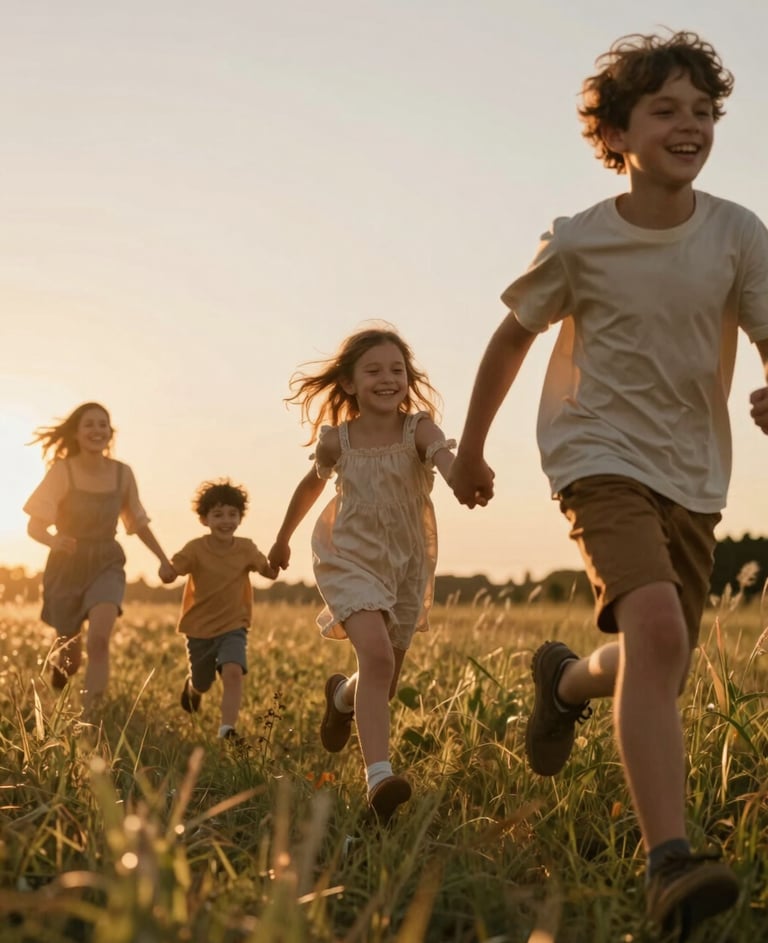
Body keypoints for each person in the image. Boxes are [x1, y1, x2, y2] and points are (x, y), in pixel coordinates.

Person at [449, 30, 768, 940]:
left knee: (654, 657)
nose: (689, 125)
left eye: (703, 111)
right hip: (597, 454)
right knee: (660, 632)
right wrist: (470, 451)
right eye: (665, 109)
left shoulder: (739, 232)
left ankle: (562, 683)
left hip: (695, 469)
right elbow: (512, 336)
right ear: (617, 134)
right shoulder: (581, 238)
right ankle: (670, 860)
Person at [268, 326, 455, 823]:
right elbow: (312, 486)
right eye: (374, 370)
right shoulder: (338, 440)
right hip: (348, 556)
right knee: (374, 655)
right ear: (350, 383)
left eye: (397, 370)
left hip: (406, 564)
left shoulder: (420, 429)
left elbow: (446, 460)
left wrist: (464, 479)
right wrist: (283, 538)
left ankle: (341, 697)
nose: (387, 378)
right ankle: (379, 779)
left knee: (383, 678)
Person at [24, 402, 176, 709]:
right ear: (77, 434)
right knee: (71, 654)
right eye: (89, 425)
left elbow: (137, 522)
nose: (97, 430)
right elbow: (34, 526)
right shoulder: (62, 471)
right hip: (66, 566)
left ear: (110, 432)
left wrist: (163, 559)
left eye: (103, 424)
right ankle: (61, 669)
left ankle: (92, 713)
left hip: (107, 562)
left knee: (99, 640)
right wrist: (54, 541)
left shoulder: (122, 474)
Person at [168, 479, 278, 743]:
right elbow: (172, 571)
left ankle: (227, 729)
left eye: (232, 514)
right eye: (218, 515)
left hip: (233, 626)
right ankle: (193, 688)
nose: (226, 521)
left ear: (240, 517)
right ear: (205, 519)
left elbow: (268, 571)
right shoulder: (195, 548)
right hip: (199, 628)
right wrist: (166, 571)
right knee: (203, 682)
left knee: (233, 672)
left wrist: (276, 562)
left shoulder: (246, 548)